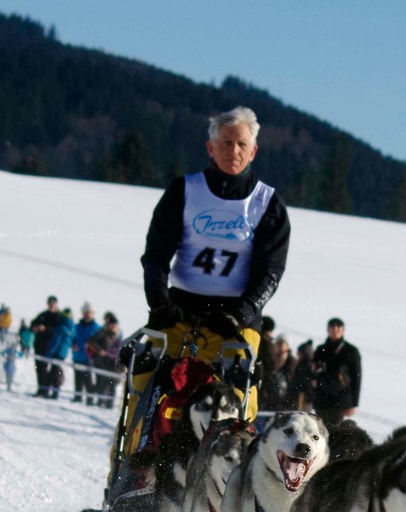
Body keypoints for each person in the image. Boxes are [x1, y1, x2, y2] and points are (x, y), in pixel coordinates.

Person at [126, 106, 291, 429]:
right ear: (210, 148)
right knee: (147, 384)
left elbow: (270, 272)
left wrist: (241, 314)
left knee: (241, 396)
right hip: (178, 309)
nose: (234, 150)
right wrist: (159, 302)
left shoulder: (267, 204)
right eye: (226, 142)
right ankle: (138, 463)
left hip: (234, 317)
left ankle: (232, 464)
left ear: (253, 150)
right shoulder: (184, 191)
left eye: (242, 144)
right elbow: (156, 255)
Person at [307, 318, 361, 426]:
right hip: (321, 398)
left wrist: (353, 403)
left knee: (336, 432)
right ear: (328, 330)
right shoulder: (320, 349)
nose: (335, 329)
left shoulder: (351, 351)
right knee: (320, 431)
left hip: (340, 400)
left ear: (343, 330)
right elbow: (312, 373)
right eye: (332, 327)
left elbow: (356, 378)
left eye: (338, 326)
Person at [29, 295, 65, 398]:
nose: (51, 304)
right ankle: (41, 389)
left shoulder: (58, 316)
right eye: (49, 302)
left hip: (52, 346)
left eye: (53, 302)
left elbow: (58, 330)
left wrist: (46, 328)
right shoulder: (43, 315)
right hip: (39, 345)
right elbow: (32, 324)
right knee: (40, 369)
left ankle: (51, 390)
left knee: (53, 369)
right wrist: (35, 328)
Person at [87, 312, 124, 409]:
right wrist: (99, 351)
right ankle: (99, 401)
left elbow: (120, 350)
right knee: (101, 382)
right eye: (111, 324)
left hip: (114, 365)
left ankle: (109, 404)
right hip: (102, 362)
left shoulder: (118, 337)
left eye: (114, 325)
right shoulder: (102, 333)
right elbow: (91, 342)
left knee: (112, 384)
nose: (113, 326)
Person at [259, 336, 302, 411]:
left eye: (281, 352)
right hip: (270, 405)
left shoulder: (293, 365)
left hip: (288, 405)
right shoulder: (270, 364)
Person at [70, 304, 101, 405]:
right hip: (77, 356)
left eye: (89, 313)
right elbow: (72, 338)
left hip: (90, 358)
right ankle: (77, 396)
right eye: (86, 312)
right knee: (78, 378)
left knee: (88, 379)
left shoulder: (97, 328)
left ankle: (90, 399)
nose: (87, 314)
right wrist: (73, 344)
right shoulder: (77, 326)